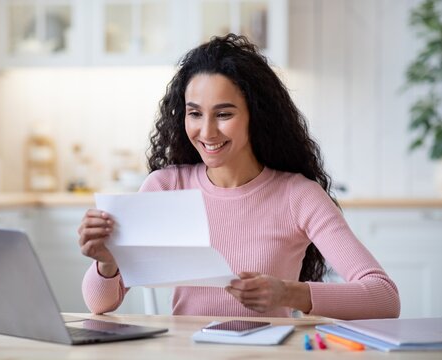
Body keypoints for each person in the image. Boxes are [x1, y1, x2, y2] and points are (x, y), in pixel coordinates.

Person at [77, 34, 400, 320]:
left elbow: (385, 298)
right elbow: (99, 305)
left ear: (255, 116)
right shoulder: (166, 187)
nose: (206, 131)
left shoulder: (298, 195)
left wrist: (289, 294)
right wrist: (108, 262)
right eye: (194, 113)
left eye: (224, 114)